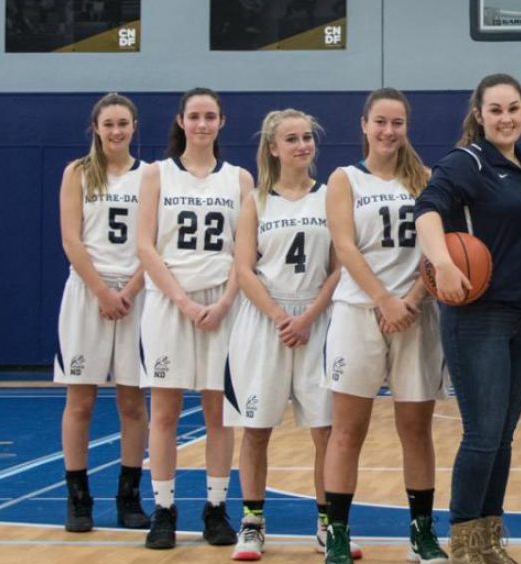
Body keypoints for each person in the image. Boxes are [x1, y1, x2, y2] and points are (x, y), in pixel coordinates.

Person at [414, 73, 521, 564]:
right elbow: (427, 210)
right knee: (482, 434)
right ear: (479, 115)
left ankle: (489, 541)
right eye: (495, 110)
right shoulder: (466, 161)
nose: (506, 118)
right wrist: (444, 263)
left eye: (513, 108)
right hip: (479, 316)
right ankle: (465, 545)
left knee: (503, 436)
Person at [319, 89, 447, 564]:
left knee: (417, 430)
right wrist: (384, 300)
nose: (389, 131)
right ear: (364, 125)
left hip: (416, 315)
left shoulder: (426, 180)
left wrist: (410, 300)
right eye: (380, 122)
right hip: (358, 313)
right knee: (347, 430)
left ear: (406, 127)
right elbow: (345, 249)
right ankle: (336, 533)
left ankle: (422, 532)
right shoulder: (344, 179)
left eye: (397, 123)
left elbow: (437, 251)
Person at [225, 108, 346, 561]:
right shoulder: (256, 200)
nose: (302, 145)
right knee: (255, 430)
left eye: (307, 138)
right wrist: (280, 316)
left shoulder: (329, 195)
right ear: (273, 148)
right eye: (292, 139)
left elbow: (340, 265)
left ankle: (327, 525)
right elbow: (243, 268)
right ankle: (252, 523)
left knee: (326, 431)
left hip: (318, 319)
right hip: (266, 322)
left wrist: (310, 315)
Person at [137, 87, 250, 550]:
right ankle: (163, 510)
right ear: (181, 121)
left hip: (223, 302)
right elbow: (144, 246)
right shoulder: (155, 175)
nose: (203, 124)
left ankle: (216, 508)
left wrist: (223, 302)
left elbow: (246, 252)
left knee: (218, 413)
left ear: (222, 122)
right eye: (195, 116)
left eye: (210, 116)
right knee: (163, 413)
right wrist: (184, 302)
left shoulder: (240, 179)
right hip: (169, 302)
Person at [54, 92, 149, 534]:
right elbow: (72, 240)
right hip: (87, 295)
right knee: (81, 400)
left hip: (137, 295)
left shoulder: (150, 177)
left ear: (134, 127)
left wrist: (127, 290)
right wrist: (101, 291)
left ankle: (129, 496)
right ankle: (78, 498)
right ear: (95, 127)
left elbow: (155, 244)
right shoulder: (77, 173)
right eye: (108, 123)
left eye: (123, 123)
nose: (116, 131)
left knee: (133, 401)